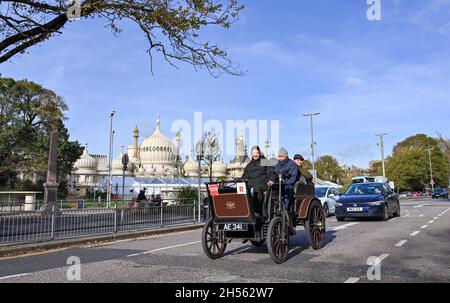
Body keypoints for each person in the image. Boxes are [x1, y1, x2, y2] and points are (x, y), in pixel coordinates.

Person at [242, 146, 271, 215]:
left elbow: (271, 172)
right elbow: (244, 176)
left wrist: (271, 180)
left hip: (263, 184)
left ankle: (257, 212)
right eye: (253, 153)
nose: (255, 155)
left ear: (259, 153)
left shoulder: (265, 162)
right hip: (250, 184)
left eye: (257, 153)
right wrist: (239, 180)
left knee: (256, 189)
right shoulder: (249, 165)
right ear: (251, 154)